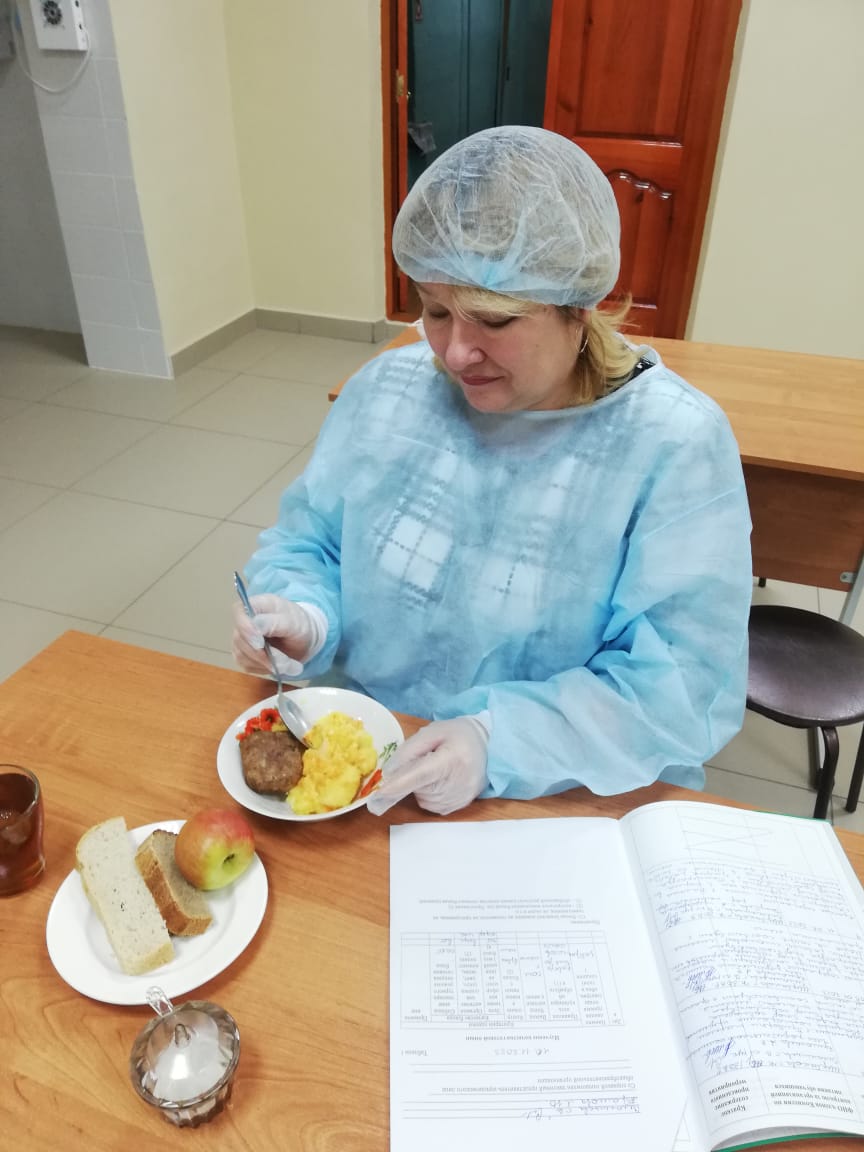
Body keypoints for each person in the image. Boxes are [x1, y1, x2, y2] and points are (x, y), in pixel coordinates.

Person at [232, 125, 752, 817]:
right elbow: (313, 541)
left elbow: (679, 684)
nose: (454, 352)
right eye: (435, 311)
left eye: (494, 320)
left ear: (578, 307)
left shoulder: (671, 444)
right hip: (369, 771)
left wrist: (494, 738)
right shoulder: (388, 392)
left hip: (553, 796)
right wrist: (307, 617)